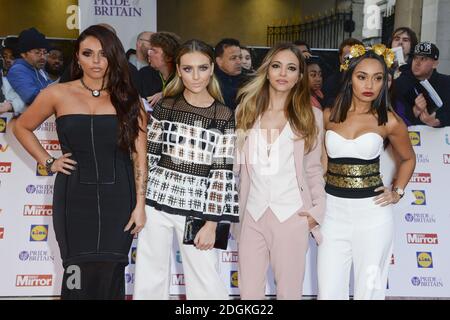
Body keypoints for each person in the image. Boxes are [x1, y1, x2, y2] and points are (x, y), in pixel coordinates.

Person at [13, 25, 147, 300]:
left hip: (119, 198)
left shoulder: (129, 98)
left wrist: (140, 206)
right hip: (74, 197)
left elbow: (139, 156)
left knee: (112, 272)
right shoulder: (57, 94)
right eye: (88, 53)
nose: (96, 61)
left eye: (103, 54)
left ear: (113, 57)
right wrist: (48, 162)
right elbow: (21, 127)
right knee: (75, 271)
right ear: (77, 57)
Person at [134, 39, 239, 300]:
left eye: (202, 68)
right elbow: (148, 158)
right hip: (154, 202)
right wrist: (139, 204)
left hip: (198, 208)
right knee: (150, 276)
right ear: (178, 70)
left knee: (205, 280)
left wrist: (212, 223)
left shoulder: (224, 114)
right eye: (188, 69)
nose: (196, 76)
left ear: (212, 68)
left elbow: (222, 172)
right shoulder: (166, 106)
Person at [317, 44, 416, 300]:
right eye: (362, 76)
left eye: (378, 77)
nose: (369, 84)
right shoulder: (328, 115)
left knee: (369, 291)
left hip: (373, 217)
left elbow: (407, 159)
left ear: (386, 81)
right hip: (332, 215)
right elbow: (319, 164)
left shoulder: (390, 121)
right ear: (349, 77)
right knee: (329, 292)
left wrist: (397, 192)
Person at [235, 42, 325, 300]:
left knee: (289, 293)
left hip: (292, 215)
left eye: (291, 68)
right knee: (249, 293)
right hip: (251, 213)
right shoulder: (246, 111)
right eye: (276, 66)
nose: (283, 73)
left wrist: (316, 210)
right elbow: (236, 167)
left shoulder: (311, 116)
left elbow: (313, 168)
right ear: (267, 70)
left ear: (299, 76)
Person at [396, 42, 450, 127]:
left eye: (423, 59)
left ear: (435, 64)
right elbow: (394, 116)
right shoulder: (401, 83)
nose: (417, 63)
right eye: (415, 58)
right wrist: (414, 111)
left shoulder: (446, 83)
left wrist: (438, 121)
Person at [7, 27, 53, 107]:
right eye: (37, 52)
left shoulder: (40, 70)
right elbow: (31, 97)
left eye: (45, 53)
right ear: (23, 54)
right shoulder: (18, 70)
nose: (43, 57)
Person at [137, 32, 180, 107]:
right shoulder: (144, 73)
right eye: (150, 50)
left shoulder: (180, 76)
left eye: (154, 51)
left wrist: (165, 95)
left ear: (168, 56)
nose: (149, 53)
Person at [322, 38, 363, 108]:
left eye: (354, 57)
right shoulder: (331, 82)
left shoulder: (370, 80)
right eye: (347, 58)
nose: (350, 61)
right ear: (340, 58)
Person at [214, 38, 249, 110]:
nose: (239, 62)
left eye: (240, 57)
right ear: (219, 61)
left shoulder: (249, 78)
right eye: (233, 58)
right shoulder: (210, 80)